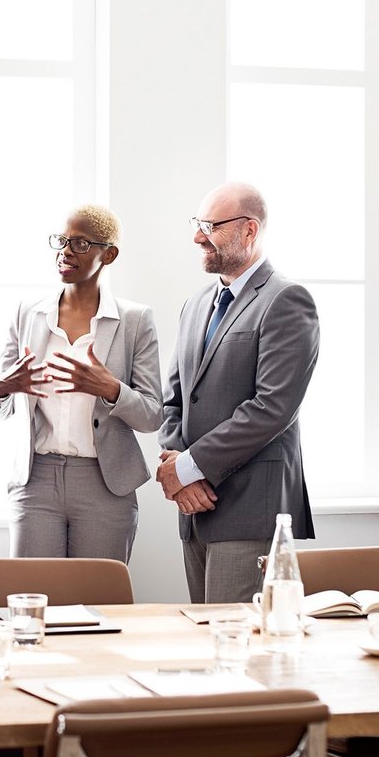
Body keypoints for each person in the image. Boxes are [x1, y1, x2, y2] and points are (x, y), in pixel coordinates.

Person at [156, 183, 319, 603]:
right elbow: (174, 400)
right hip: (194, 509)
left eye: (209, 226)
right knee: (203, 641)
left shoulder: (286, 300)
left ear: (249, 230)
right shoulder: (195, 305)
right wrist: (180, 476)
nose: (197, 236)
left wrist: (189, 468)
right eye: (197, 224)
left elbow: (272, 408)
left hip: (250, 511)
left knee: (235, 650)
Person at [0, 205, 162, 561]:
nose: (65, 251)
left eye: (80, 243)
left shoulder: (135, 320)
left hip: (105, 483)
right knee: (32, 603)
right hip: (36, 480)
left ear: (108, 254)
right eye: (62, 241)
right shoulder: (28, 312)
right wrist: (4, 386)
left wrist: (110, 388)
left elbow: (152, 416)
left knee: (98, 602)